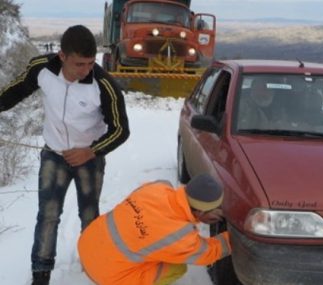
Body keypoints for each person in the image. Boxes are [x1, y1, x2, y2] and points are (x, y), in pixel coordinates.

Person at [0, 25, 130, 285]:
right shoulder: (42, 68)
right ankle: (40, 273)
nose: (86, 70)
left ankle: (92, 263)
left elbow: (121, 130)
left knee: (89, 216)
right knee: (48, 215)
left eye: (91, 63)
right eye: (79, 64)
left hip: (89, 160)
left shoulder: (103, 84)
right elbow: (15, 91)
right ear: (62, 56)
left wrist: (90, 151)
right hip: (53, 155)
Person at [78, 174, 231, 285]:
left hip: (88, 243)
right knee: (177, 267)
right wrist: (233, 239)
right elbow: (208, 253)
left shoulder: (158, 187)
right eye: (215, 209)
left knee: (152, 245)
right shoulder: (179, 235)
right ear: (201, 212)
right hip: (106, 275)